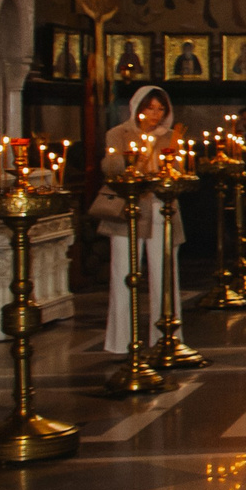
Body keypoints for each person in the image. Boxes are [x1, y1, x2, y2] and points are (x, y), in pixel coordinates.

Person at [98, 86, 176, 355]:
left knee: (165, 275)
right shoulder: (119, 133)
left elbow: (178, 169)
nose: (154, 114)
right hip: (127, 210)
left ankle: (165, 337)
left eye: (159, 109)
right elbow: (109, 168)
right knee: (124, 273)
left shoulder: (170, 137)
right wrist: (134, 160)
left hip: (162, 209)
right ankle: (121, 342)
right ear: (137, 108)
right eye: (149, 108)